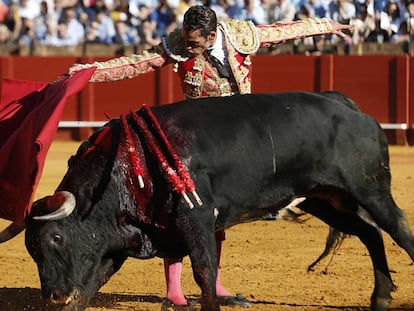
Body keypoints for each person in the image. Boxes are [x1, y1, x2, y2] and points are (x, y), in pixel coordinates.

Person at [68, 5, 353, 307]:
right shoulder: (179, 45)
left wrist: (326, 25)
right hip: (195, 141)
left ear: (212, 35)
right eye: (186, 41)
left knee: (218, 214)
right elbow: (137, 63)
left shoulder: (242, 36)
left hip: (235, 141)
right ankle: (173, 290)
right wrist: (90, 73)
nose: (187, 47)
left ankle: (213, 283)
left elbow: (283, 31)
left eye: (194, 43)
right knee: (182, 209)